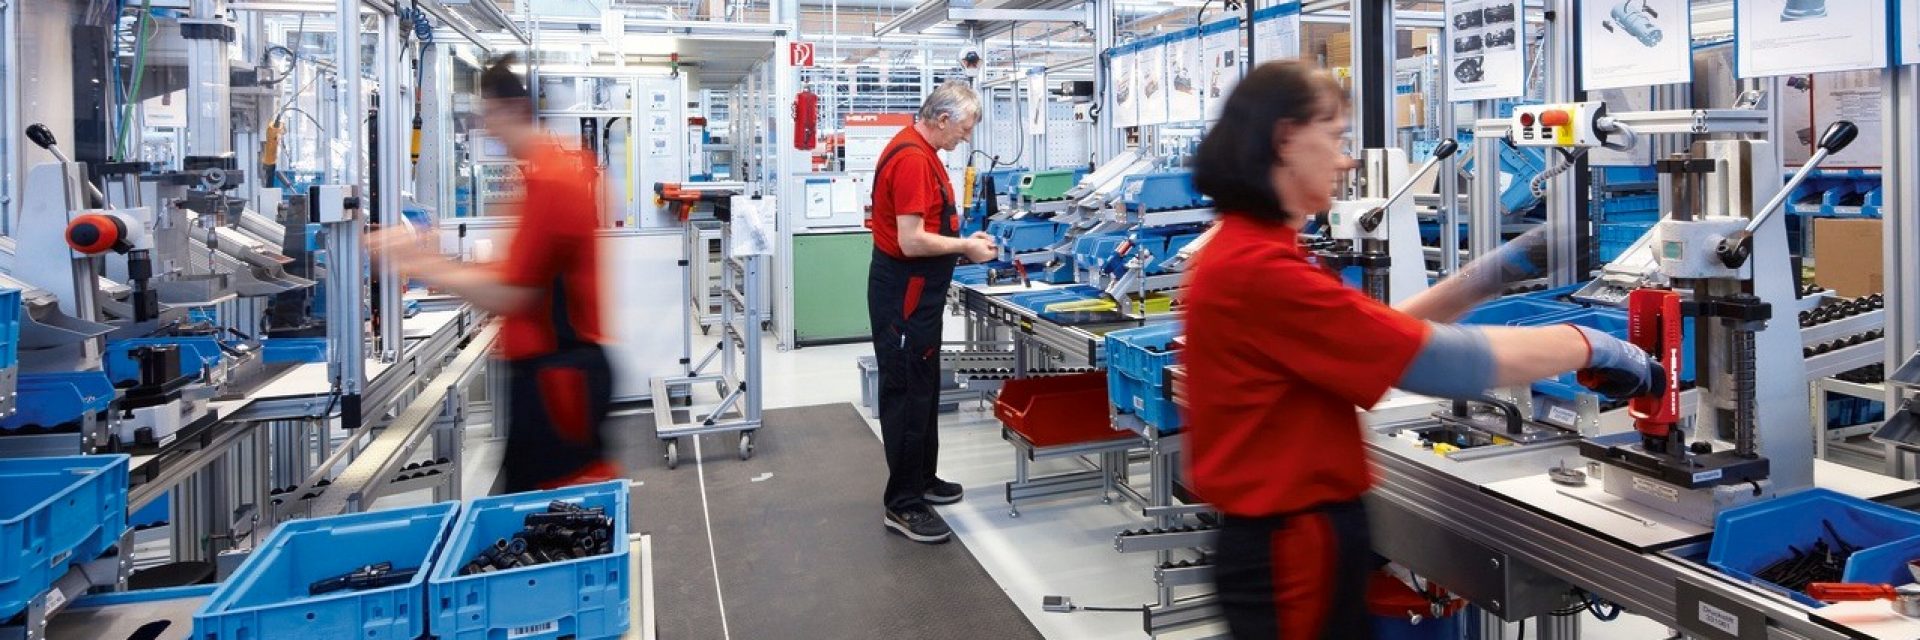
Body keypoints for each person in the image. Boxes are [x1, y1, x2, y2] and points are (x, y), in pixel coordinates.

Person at [1182, 60, 1662, 639]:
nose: (1345, 160)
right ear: (1286, 139)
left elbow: (1372, 337)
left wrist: (1489, 275)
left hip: (1287, 538)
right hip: (1291, 551)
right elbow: (1437, 362)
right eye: (1334, 137)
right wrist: (1593, 345)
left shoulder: (1247, 250)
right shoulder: (1260, 271)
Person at [367, 55, 620, 493]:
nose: (485, 128)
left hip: (558, 381)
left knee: (557, 509)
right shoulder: (544, 174)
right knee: (538, 504)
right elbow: (523, 273)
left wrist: (417, 262)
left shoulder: (553, 181)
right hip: (548, 373)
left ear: (514, 110)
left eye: (489, 115)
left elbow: (513, 294)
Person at [866, 80, 999, 544]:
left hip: (918, 293)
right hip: (905, 293)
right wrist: (964, 247)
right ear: (942, 119)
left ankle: (922, 479)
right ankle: (902, 504)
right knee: (906, 391)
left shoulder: (923, 151)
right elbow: (911, 241)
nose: (967, 136)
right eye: (964, 127)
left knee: (922, 386)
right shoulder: (912, 159)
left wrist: (962, 243)